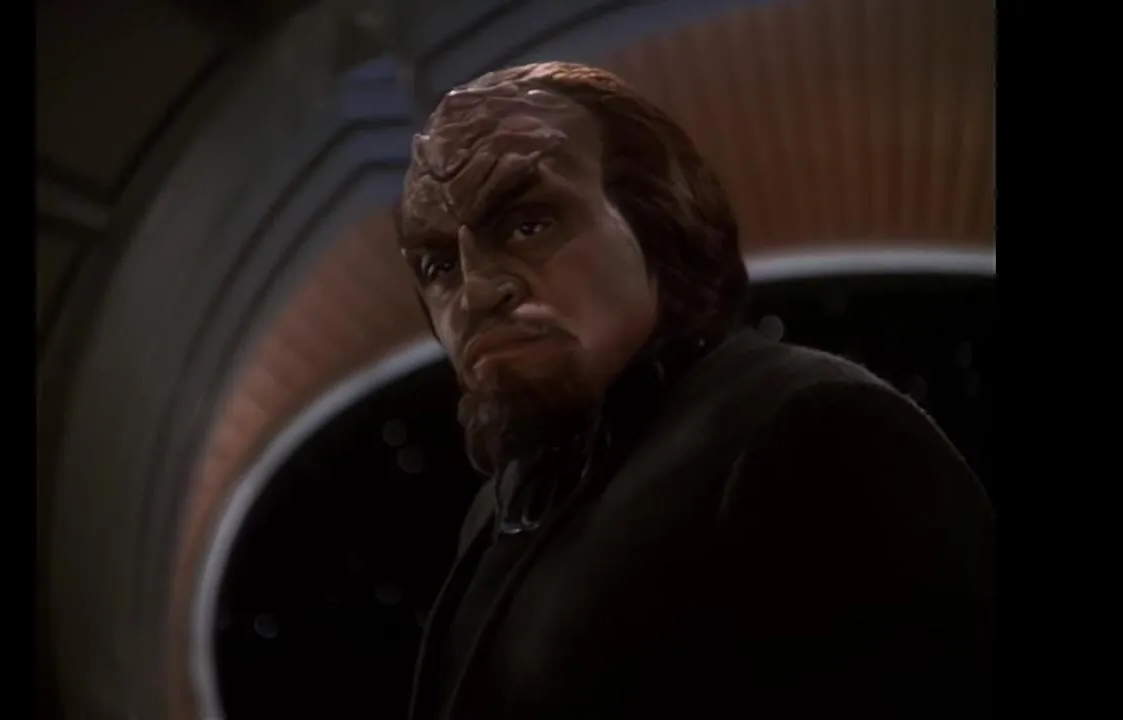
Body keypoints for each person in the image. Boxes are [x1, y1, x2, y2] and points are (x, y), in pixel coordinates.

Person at [394, 62, 994, 719]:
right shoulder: (498, 508)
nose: (476, 293)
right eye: (438, 263)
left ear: (657, 221)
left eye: (528, 225)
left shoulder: (814, 430)